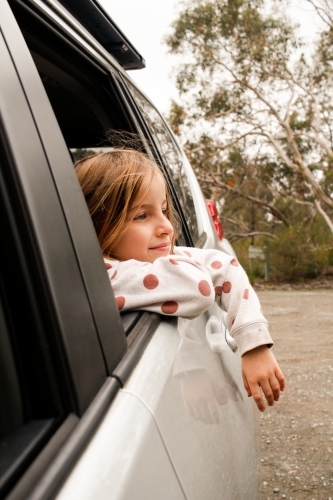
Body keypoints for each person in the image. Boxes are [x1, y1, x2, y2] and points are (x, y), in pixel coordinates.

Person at [75, 148, 285, 412]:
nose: (168, 227)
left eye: (164, 210)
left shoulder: (155, 260)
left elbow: (226, 266)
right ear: (97, 225)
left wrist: (254, 343)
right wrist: (190, 366)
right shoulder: (105, 276)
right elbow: (196, 290)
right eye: (142, 215)